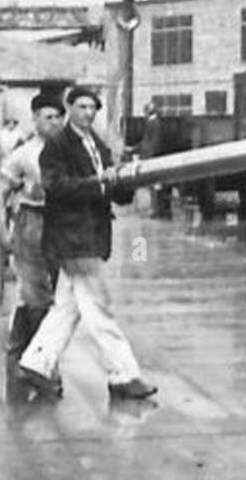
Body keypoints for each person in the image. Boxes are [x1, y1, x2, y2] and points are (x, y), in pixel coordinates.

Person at [17, 87, 157, 401]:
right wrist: (99, 182)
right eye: (82, 107)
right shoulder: (57, 146)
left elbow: (112, 190)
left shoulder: (97, 145)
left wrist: (126, 182)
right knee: (98, 309)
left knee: (67, 307)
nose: (88, 113)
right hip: (73, 238)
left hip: (90, 236)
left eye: (93, 108)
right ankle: (123, 375)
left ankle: (36, 362)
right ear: (70, 108)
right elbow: (56, 187)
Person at [0, 90, 65, 361]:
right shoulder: (24, 154)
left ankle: (18, 348)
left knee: (50, 292)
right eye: (49, 117)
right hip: (31, 223)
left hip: (62, 224)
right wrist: (2, 228)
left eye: (59, 117)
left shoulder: (70, 153)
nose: (55, 122)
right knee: (38, 292)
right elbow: (2, 192)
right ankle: (41, 361)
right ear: (35, 119)